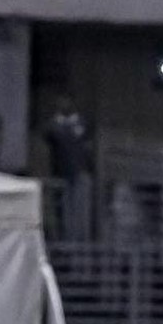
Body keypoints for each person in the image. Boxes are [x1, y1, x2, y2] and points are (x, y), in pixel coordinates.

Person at [43, 94, 93, 241]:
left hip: (79, 172)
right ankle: (64, 239)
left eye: (65, 101)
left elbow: (86, 144)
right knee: (62, 210)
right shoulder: (54, 124)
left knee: (79, 211)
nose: (63, 105)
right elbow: (49, 135)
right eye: (60, 102)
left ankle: (80, 241)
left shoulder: (82, 123)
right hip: (60, 173)